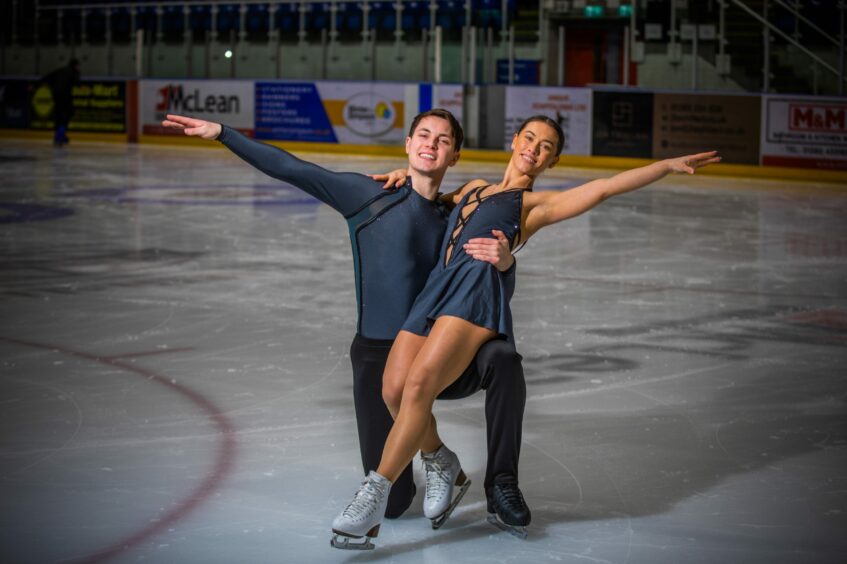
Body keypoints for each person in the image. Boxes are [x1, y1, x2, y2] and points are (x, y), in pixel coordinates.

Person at [330, 115, 721, 548]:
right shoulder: (473, 187)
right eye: (530, 138)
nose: (534, 148)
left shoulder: (533, 206)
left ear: (552, 160)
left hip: (472, 295)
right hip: (433, 293)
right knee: (392, 388)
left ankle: (372, 496)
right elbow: (428, 197)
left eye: (546, 147)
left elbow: (605, 188)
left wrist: (664, 166)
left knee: (420, 384)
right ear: (515, 140)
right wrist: (405, 174)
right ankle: (440, 458)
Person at [161, 110, 531, 535]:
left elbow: (485, 276)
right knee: (395, 505)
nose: (431, 143)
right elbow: (293, 169)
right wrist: (223, 134)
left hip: (439, 353)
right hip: (378, 357)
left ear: (455, 156)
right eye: (423, 135)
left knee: (503, 357)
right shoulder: (366, 195)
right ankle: (440, 457)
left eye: (443, 140)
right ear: (408, 145)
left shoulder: (456, 219)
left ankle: (503, 484)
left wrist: (507, 264)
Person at [40, 59, 80, 146]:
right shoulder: (72, 72)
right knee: (67, 115)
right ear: (75, 66)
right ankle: (60, 134)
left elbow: (46, 78)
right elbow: (77, 83)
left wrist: (35, 85)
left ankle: (59, 134)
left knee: (59, 116)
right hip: (65, 97)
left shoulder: (60, 71)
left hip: (56, 97)